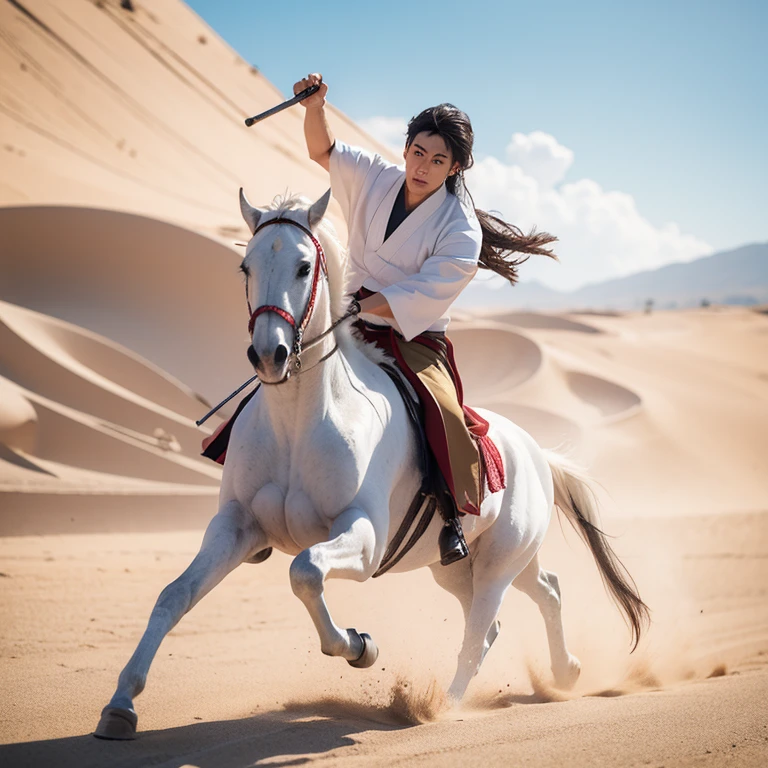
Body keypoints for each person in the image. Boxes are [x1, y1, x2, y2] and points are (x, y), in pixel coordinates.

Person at [293, 74, 558, 565]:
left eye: (438, 160)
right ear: (407, 148)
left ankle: (453, 512)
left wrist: (361, 307)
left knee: (442, 411)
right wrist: (314, 108)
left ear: (455, 166)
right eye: (418, 152)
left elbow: (419, 295)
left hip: (409, 333)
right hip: (346, 310)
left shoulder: (460, 228)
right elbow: (324, 151)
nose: (423, 167)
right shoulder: (375, 176)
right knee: (282, 356)